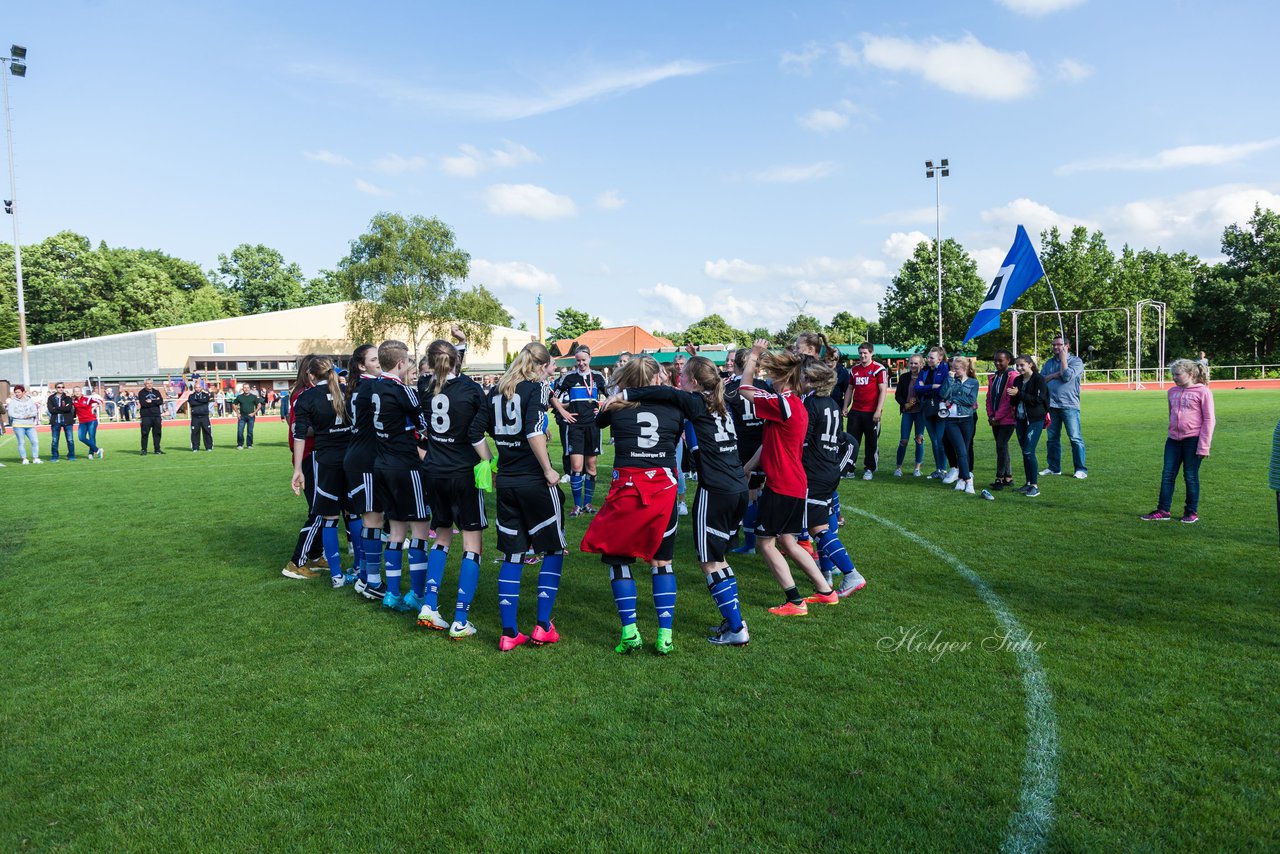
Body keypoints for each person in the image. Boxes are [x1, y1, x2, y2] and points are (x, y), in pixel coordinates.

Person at [618, 355, 753, 646]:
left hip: (715, 490)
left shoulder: (696, 401)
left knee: (709, 563)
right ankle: (735, 621)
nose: (677, 379)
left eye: (683, 376)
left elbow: (663, 392)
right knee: (720, 558)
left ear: (692, 380)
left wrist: (624, 394)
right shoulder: (721, 404)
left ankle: (736, 628)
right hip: (738, 488)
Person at [583, 355, 685, 655]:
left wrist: (617, 397)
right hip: (663, 489)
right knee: (662, 562)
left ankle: (630, 631)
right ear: (657, 379)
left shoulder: (616, 407)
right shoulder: (674, 407)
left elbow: (598, 420)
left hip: (627, 489)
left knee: (618, 560)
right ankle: (664, 634)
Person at [737, 340, 840, 616]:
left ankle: (795, 601)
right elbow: (771, 443)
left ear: (784, 378)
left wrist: (754, 356)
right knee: (788, 541)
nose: (768, 380)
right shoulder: (794, 405)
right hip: (794, 483)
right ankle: (826, 591)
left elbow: (744, 388)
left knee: (765, 543)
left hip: (783, 485)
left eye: (771, 375)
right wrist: (748, 466)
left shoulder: (783, 404)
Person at [481, 342, 568, 651]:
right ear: (540, 366)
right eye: (551, 365)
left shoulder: (495, 391)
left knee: (513, 555)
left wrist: (492, 460)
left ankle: (509, 632)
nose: (554, 370)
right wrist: (548, 469)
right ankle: (543, 626)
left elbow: (478, 432)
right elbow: (531, 432)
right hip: (534, 480)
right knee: (554, 549)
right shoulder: (538, 388)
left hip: (506, 479)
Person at [414, 339, 493, 639]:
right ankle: (461, 618)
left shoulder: (423, 386)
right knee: (473, 544)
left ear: (431, 362)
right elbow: (477, 434)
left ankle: (430, 605)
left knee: (442, 536)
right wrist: (490, 462)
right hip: (463, 472)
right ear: (458, 360)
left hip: (433, 470)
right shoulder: (472, 390)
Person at [371, 340, 433, 610]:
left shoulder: (373, 387)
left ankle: (392, 593)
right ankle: (418, 594)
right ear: (400, 364)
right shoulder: (403, 390)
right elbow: (424, 426)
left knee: (396, 531)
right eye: (408, 362)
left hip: (382, 465)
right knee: (420, 529)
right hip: (406, 466)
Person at [800, 359, 867, 596]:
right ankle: (827, 574)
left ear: (811, 381)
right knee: (821, 524)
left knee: (817, 529)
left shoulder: (810, 403)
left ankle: (851, 574)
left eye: (804, 377)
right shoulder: (832, 404)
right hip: (829, 470)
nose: (801, 380)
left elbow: (802, 439)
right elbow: (840, 439)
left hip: (814, 472)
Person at [290, 357, 354, 585]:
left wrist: (297, 469)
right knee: (353, 513)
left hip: (325, 461)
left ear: (310, 375)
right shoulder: (347, 391)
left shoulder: (307, 397)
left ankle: (334, 573)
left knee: (326, 515)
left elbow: (298, 434)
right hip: (350, 459)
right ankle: (359, 570)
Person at [1141, 359, 1215, 523]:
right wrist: (1172, 431)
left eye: (1177, 374)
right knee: (1167, 475)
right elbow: (1171, 414)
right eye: (1172, 374)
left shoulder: (1203, 392)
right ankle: (1163, 510)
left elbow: (1209, 420)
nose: (1174, 377)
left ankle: (1191, 512)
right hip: (1173, 440)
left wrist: (1204, 446)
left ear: (1190, 374)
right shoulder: (1172, 392)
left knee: (1190, 476)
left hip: (1193, 440)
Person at [342, 344, 383, 597]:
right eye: (375, 359)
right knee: (372, 519)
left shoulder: (361, 387)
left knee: (373, 518)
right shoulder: (371, 387)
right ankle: (371, 581)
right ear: (361, 365)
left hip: (361, 457)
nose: (380, 362)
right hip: (364, 460)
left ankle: (365, 576)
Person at [726, 347, 768, 556]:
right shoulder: (764, 386)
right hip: (765, 443)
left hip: (742, 447)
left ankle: (750, 543)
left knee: (750, 494)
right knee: (765, 492)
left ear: (736, 365)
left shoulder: (730, 389)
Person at [557, 346, 607, 517]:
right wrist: (563, 412)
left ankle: (588, 503)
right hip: (575, 427)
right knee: (576, 466)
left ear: (590, 359)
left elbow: (612, 396)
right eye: (578, 360)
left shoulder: (599, 377)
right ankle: (577, 505)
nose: (581, 363)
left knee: (591, 467)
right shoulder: (569, 378)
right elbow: (553, 396)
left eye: (583, 360)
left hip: (593, 426)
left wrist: (601, 410)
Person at [1041, 334, 1087, 479]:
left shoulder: (1076, 361)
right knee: (1052, 438)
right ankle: (1054, 468)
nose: (1056, 347)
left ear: (1067, 346)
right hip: (1052, 405)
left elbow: (1066, 376)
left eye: (1059, 345)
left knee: (1075, 438)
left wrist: (1063, 360)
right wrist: (1055, 374)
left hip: (1069, 405)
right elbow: (1042, 380)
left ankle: (1081, 469)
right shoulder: (1048, 363)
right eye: (1054, 344)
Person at [1008, 354, 1050, 498]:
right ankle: (1028, 483)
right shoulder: (1018, 379)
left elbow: (1038, 400)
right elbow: (1014, 401)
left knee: (1028, 451)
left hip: (1035, 419)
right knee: (1025, 452)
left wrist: (1019, 393)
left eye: (1022, 365)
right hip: (1020, 419)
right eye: (1017, 365)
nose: (1019, 368)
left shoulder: (1039, 379)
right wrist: (1012, 396)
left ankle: (1034, 486)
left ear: (1030, 364)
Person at [845, 342, 888, 480]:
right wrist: (846, 406)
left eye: (865, 353)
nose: (863, 355)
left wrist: (878, 410)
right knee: (852, 441)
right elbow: (850, 389)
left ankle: (869, 469)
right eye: (861, 353)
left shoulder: (878, 369)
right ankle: (849, 468)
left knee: (871, 442)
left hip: (871, 412)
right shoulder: (854, 369)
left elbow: (883, 390)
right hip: (856, 411)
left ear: (871, 353)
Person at [938, 357, 980, 494]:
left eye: (956, 368)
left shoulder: (973, 382)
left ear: (965, 368)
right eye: (952, 368)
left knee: (965, 451)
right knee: (961, 451)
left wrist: (953, 399)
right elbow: (943, 394)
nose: (953, 370)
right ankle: (969, 481)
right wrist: (949, 380)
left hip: (967, 419)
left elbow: (971, 400)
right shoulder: (951, 380)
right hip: (951, 420)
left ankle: (961, 479)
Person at [986, 350, 1018, 490]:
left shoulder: (1013, 376)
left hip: (1008, 419)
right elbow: (989, 398)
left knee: (1000, 446)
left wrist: (996, 416)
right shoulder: (994, 377)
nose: (997, 363)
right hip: (995, 419)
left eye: (1001, 360)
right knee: (1003, 447)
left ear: (1009, 360)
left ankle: (999, 478)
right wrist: (991, 415)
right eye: (996, 360)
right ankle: (1008, 477)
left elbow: (1009, 401)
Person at [916, 346, 950, 477]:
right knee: (934, 441)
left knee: (941, 441)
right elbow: (918, 388)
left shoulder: (946, 369)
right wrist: (931, 386)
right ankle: (938, 470)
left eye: (931, 357)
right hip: (926, 408)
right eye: (928, 356)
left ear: (940, 358)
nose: (928, 359)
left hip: (941, 408)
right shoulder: (924, 371)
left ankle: (944, 469)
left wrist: (927, 388)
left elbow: (944, 389)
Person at [892, 354, 926, 477]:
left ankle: (917, 468)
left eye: (916, 363)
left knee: (919, 439)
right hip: (907, 412)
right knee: (903, 440)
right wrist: (904, 404)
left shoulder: (925, 377)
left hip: (920, 413)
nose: (913, 365)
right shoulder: (904, 377)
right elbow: (898, 395)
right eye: (911, 363)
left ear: (921, 364)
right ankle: (898, 468)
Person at [7, 385, 42, 463]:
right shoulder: (13, 402)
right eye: (15, 392)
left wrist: (29, 415)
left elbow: (34, 411)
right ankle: (24, 458)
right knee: (21, 442)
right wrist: (21, 416)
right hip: (18, 425)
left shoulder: (30, 401)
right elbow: (10, 413)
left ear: (23, 392)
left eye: (18, 392)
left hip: (30, 425)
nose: (17, 394)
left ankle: (35, 458)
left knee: (35, 441)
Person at [47, 382, 77, 462]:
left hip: (67, 421)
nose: (61, 388)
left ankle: (71, 456)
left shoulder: (68, 398)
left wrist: (56, 408)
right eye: (59, 387)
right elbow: (51, 410)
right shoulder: (51, 398)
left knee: (70, 440)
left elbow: (68, 409)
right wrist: (62, 408)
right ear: (56, 388)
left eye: (62, 387)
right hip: (55, 421)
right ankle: (54, 456)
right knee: (54, 440)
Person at [73, 386, 105, 460]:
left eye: (78, 391)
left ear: (81, 392)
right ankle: (98, 450)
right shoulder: (73, 401)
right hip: (82, 422)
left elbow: (101, 401)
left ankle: (91, 454)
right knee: (81, 437)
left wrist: (94, 407)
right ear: (73, 393)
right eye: (75, 391)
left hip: (91, 420)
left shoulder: (87, 398)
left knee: (91, 437)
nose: (77, 392)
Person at [138, 378, 165, 454]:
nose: (149, 385)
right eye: (148, 383)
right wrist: (155, 401)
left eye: (151, 383)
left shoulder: (156, 392)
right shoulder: (141, 393)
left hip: (156, 416)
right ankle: (144, 449)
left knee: (157, 433)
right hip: (146, 416)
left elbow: (160, 401)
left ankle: (157, 449)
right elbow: (143, 404)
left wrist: (151, 401)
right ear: (145, 384)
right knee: (145, 433)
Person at [188, 383, 213, 451]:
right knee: (195, 433)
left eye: (199, 387)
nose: (198, 388)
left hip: (204, 416)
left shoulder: (205, 395)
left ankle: (209, 447)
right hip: (195, 417)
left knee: (207, 432)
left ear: (201, 388)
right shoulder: (191, 396)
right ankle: (195, 447)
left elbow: (206, 400)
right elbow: (192, 403)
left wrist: (197, 401)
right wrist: (201, 401)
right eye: (196, 387)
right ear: (194, 388)